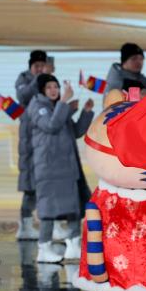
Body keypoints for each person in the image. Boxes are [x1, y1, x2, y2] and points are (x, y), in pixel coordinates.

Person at [28, 75, 94, 263]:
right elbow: (51, 125)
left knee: (74, 206)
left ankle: (73, 245)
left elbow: (75, 132)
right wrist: (64, 102)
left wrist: (86, 113)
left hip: (66, 166)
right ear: (42, 90)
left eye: (56, 87)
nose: (54, 90)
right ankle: (44, 248)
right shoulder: (38, 106)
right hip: (49, 168)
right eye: (49, 87)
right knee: (48, 209)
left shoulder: (57, 106)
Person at [14, 50, 50, 240]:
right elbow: (23, 96)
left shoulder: (48, 80)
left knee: (46, 183)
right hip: (28, 138)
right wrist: (39, 79)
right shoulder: (23, 79)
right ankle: (25, 225)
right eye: (36, 66)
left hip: (44, 137)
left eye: (42, 66)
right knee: (30, 185)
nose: (40, 69)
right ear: (30, 67)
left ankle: (49, 224)